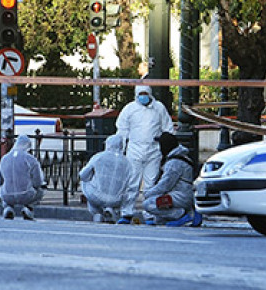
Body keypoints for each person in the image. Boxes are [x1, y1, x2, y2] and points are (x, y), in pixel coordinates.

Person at [115, 84, 172, 223]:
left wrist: (164, 147)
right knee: (132, 182)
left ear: (150, 94)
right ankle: (127, 213)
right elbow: (122, 129)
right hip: (134, 149)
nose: (143, 96)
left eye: (145, 93)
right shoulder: (130, 109)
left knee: (151, 184)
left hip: (153, 150)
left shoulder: (159, 108)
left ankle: (150, 213)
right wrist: (120, 148)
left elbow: (168, 128)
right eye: (141, 93)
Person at [141, 131, 202, 227]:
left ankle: (181, 215)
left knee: (148, 204)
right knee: (159, 219)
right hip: (184, 195)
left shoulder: (174, 163)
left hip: (180, 197)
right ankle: (182, 214)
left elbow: (165, 185)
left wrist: (148, 193)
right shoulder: (182, 157)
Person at [79, 133, 135, 223]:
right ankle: (110, 210)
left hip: (96, 196)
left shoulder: (99, 157)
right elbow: (131, 183)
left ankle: (96, 211)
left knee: (84, 181)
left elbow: (83, 175)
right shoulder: (127, 162)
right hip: (117, 199)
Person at [0, 134, 44, 220]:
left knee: (3, 191)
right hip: (26, 195)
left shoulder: (4, 158)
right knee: (40, 191)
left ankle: (8, 208)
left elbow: (0, 180)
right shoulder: (30, 159)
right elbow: (38, 181)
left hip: (7, 195)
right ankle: (28, 208)